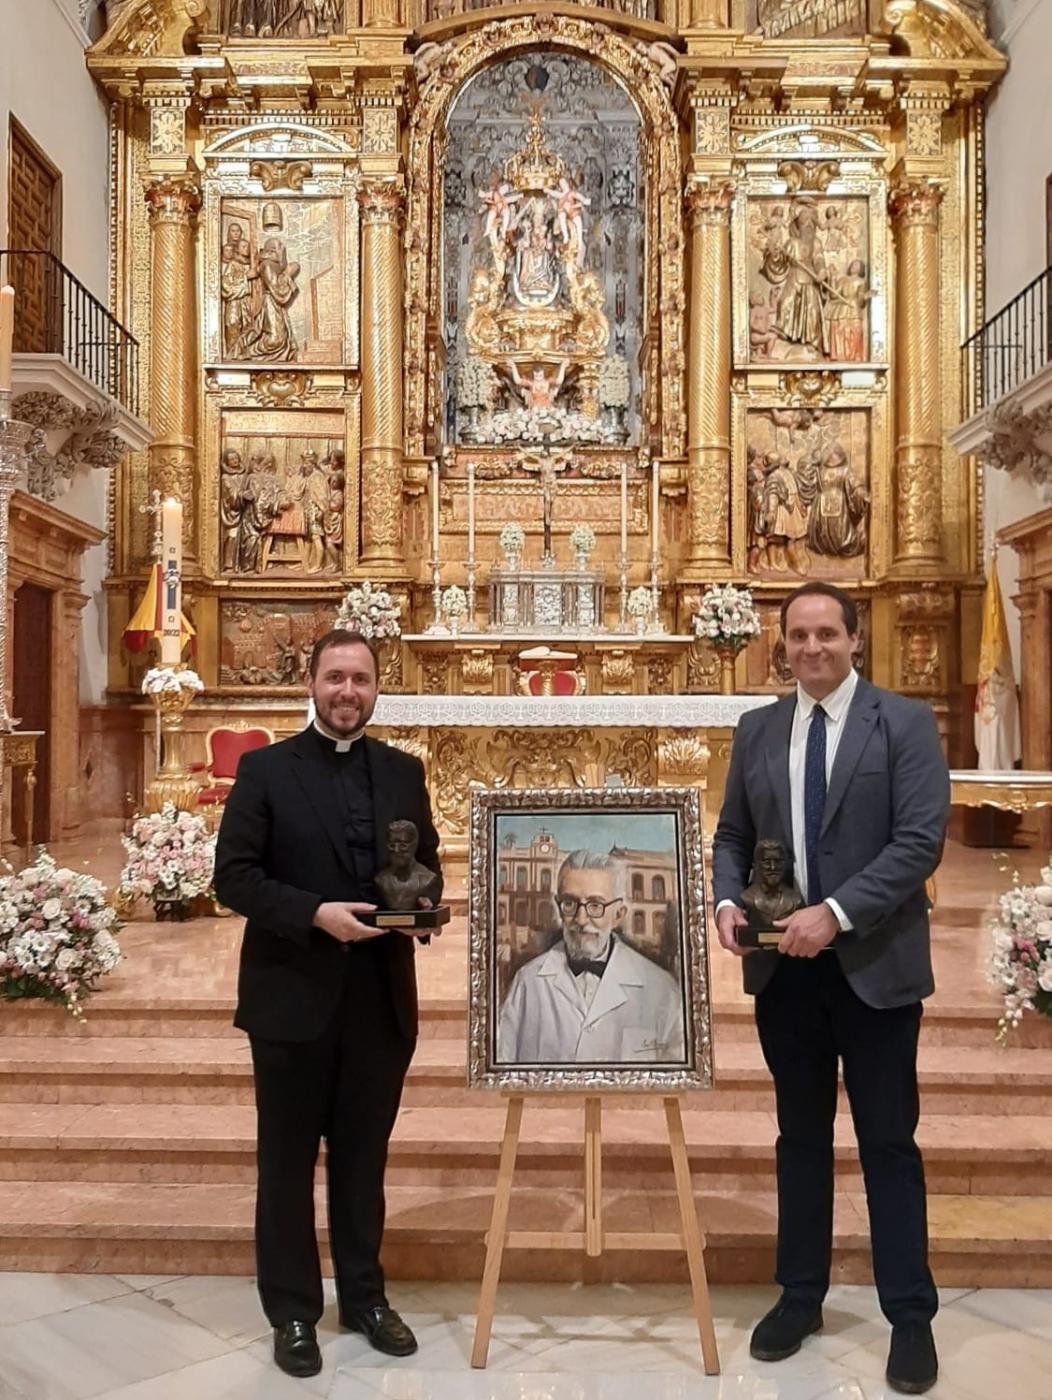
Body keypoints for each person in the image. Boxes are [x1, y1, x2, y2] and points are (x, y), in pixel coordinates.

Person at [712, 581, 949, 1397]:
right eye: (798, 636)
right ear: (781, 644)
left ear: (855, 641)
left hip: (874, 966)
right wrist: (724, 899)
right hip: (787, 971)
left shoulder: (906, 723)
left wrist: (836, 913)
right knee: (800, 1138)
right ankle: (800, 1295)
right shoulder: (757, 728)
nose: (811, 648)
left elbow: (919, 842)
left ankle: (910, 1316)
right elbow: (733, 835)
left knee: (888, 1141)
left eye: (826, 634)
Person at [214, 628, 442, 1379]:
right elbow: (235, 879)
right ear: (311, 685)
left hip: (379, 1000)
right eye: (335, 679)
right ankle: (292, 1312)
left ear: (378, 689)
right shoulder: (265, 771)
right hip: (291, 996)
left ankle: (366, 1297)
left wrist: (426, 909)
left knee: (363, 1157)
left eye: (362, 680)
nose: (348, 693)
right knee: (285, 1162)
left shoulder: (406, 771)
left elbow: (429, 865)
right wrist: (316, 912)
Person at [497, 849, 685, 1064]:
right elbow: (501, 1065)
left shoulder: (661, 988)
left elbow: (678, 1079)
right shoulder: (527, 983)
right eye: (569, 903)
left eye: (596, 905)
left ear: (618, 915)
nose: (581, 919)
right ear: (558, 907)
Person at [375, 819, 443, 912]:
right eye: (392, 845)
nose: (396, 850)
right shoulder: (381, 879)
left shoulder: (428, 880)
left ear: (414, 845)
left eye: (403, 845)